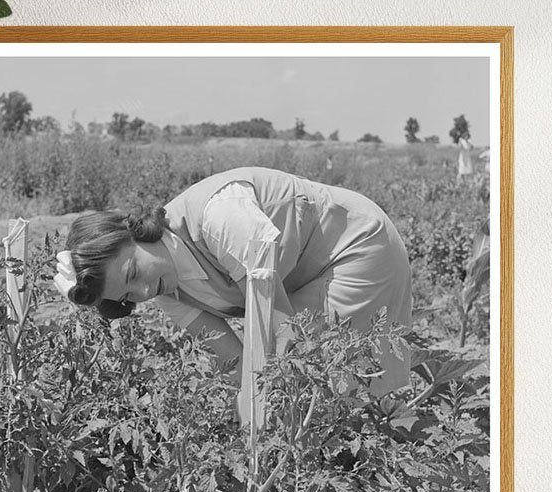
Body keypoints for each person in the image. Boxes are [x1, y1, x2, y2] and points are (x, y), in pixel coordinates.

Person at [52, 166, 413, 393]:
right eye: (129, 296)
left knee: (330, 372)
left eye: (133, 272)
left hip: (353, 246)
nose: (144, 291)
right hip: (299, 281)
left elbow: (282, 331)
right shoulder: (163, 290)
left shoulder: (219, 216)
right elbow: (236, 362)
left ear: (135, 232)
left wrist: (257, 423)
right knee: (306, 381)